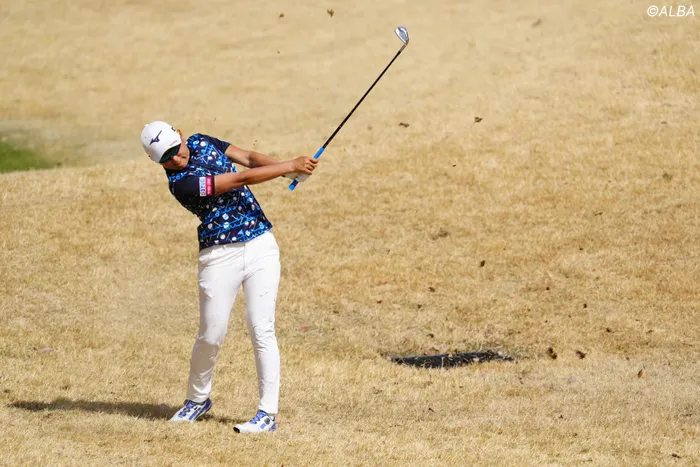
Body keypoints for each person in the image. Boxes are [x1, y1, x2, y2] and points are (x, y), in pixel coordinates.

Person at [140, 121, 318, 433]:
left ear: (180, 135)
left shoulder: (201, 141)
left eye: (175, 150)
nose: (175, 159)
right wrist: (289, 166)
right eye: (166, 158)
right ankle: (197, 399)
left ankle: (267, 414)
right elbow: (239, 179)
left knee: (261, 327)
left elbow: (247, 158)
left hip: (261, 243)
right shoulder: (181, 183)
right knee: (211, 334)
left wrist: (287, 171)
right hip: (219, 256)